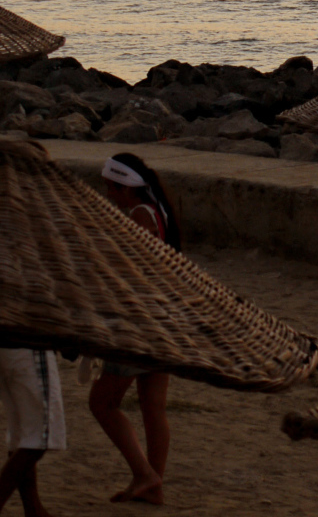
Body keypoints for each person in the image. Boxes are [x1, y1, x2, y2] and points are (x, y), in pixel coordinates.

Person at [88, 154, 181, 505]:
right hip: (164, 318)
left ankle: (144, 474)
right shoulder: (160, 213)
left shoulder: (140, 216)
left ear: (121, 187)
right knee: (153, 407)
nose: (109, 195)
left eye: (110, 188)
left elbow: (132, 271)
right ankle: (154, 486)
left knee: (102, 403)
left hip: (140, 323)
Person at [0, 346, 64, 517]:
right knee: (40, 436)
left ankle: (34, 509)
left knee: (22, 434)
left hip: (8, 343)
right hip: (27, 345)